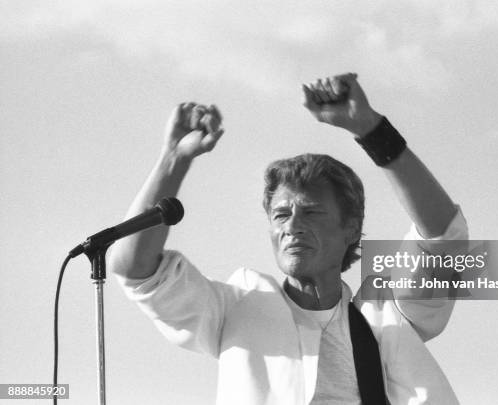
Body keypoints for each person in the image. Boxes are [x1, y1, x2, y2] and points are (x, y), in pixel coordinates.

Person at [109, 73, 468, 404]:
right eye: (281, 214)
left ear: (351, 229)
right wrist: (174, 160)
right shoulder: (236, 309)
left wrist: (372, 129)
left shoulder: (388, 316)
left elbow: (444, 235)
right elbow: (135, 269)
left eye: (311, 212)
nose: (292, 225)